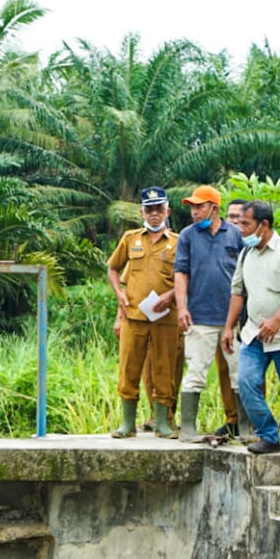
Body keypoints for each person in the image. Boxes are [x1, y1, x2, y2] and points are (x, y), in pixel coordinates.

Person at [223, 201, 280, 484]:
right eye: (238, 223)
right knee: (246, 384)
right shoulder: (246, 253)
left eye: (245, 224)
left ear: (264, 224)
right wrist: (228, 327)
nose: (240, 229)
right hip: (254, 333)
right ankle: (269, 435)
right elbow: (238, 291)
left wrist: (277, 319)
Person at [106, 187, 179, 438]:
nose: (154, 214)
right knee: (129, 367)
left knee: (164, 368)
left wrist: (171, 296)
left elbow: (186, 278)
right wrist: (120, 294)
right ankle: (127, 424)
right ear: (142, 212)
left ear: (167, 211)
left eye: (159, 209)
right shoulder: (130, 238)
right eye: (149, 209)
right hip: (134, 315)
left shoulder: (178, 243)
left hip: (166, 317)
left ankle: (162, 422)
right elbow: (113, 269)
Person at [173, 185, 243, 441]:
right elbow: (181, 273)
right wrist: (182, 307)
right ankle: (188, 427)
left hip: (232, 319)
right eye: (192, 206)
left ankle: (244, 427)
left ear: (214, 208)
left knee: (238, 373)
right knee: (196, 372)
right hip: (199, 316)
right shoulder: (187, 236)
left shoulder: (235, 234)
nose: (194, 211)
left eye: (199, 206)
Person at [211, 199, 250, 438]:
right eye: (231, 216)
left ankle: (251, 421)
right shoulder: (218, 241)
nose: (234, 222)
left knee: (247, 370)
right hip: (220, 315)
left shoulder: (251, 246)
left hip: (248, 316)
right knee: (224, 369)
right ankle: (232, 419)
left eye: (240, 218)